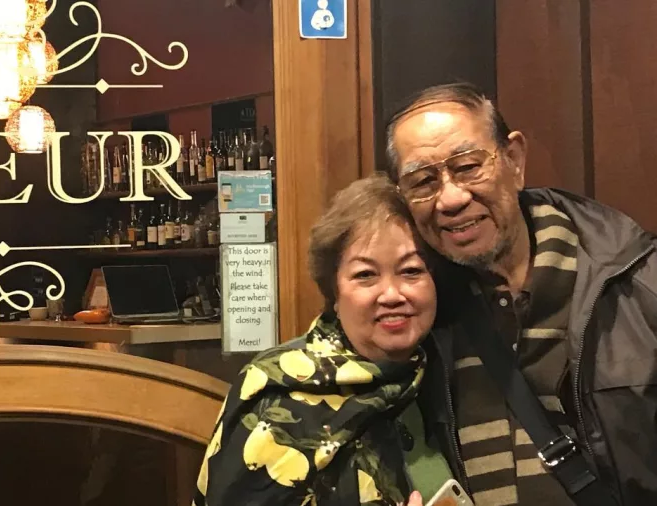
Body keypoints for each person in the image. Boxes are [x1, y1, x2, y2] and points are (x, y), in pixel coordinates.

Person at [384, 82, 657, 505]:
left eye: (468, 166)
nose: (451, 198)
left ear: (513, 159)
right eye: (423, 181)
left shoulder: (638, 287)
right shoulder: (414, 320)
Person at [193, 174, 453, 506]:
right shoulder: (276, 395)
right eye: (365, 275)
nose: (392, 294)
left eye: (411, 271)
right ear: (333, 291)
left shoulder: (443, 376)